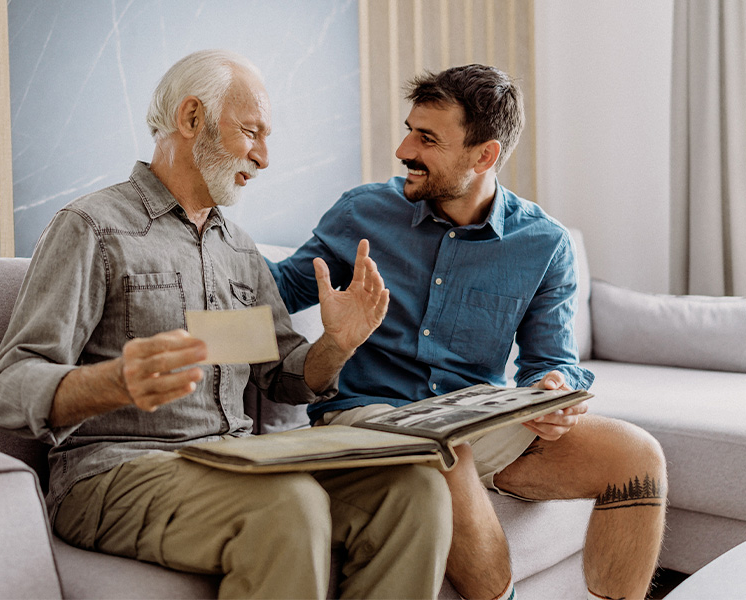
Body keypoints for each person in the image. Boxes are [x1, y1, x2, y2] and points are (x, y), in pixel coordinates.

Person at [0, 49, 454, 599]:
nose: (265, 156)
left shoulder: (239, 250)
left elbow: (281, 377)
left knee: (415, 489)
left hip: (235, 460)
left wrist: (337, 344)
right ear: (191, 119)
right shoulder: (94, 228)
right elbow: (9, 389)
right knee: (289, 506)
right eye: (251, 132)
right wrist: (114, 382)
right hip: (115, 472)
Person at [270, 64, 667, 600]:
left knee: (637, 454)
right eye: (410, 128)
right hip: (370, 413)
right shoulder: (364, 212)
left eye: (427, 138)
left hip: (474, 416)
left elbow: (550, 360)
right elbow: (271, 291)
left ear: (484, 155)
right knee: (448, 449)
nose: (404, 148)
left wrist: (554, 391)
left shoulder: (543, 243)